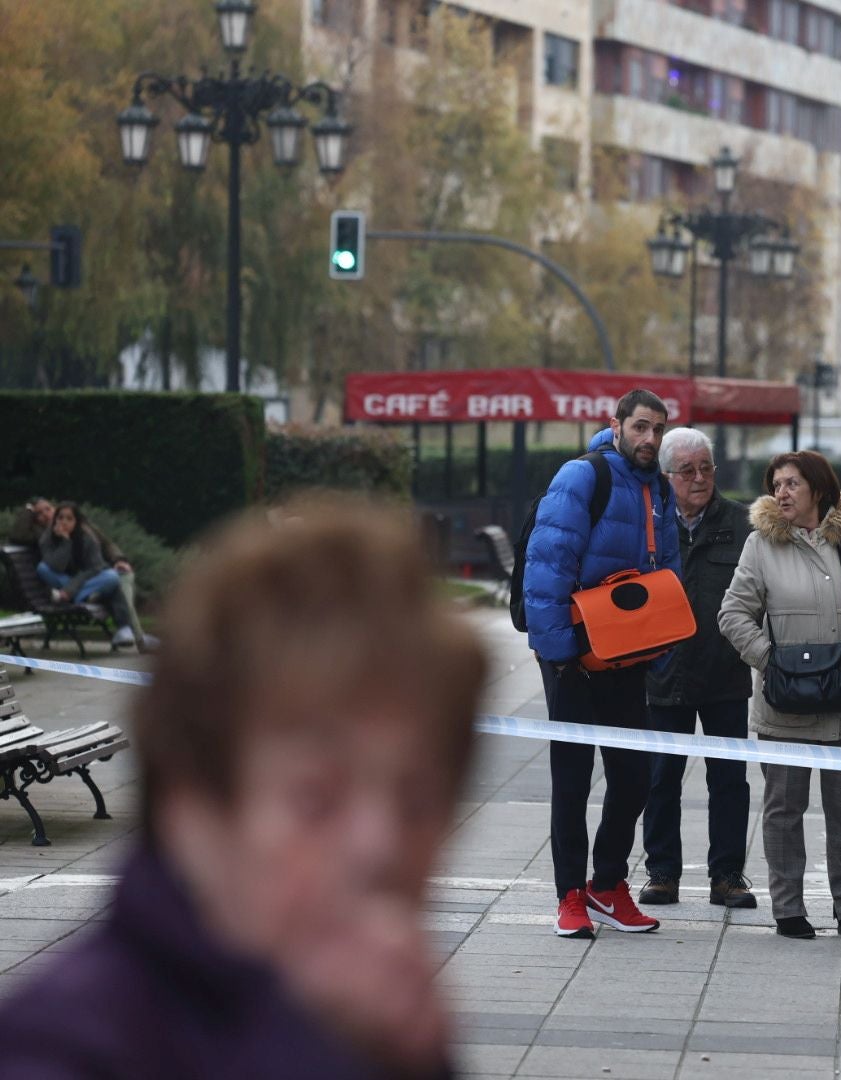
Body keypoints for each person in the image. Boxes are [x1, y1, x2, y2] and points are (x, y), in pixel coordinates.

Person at [0, 498, 488, 1077]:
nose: (379, 844)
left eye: (418, 800)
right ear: (192, 804)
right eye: (316, 799)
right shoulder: (65, 1047)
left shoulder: (377, 1020)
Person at [524, 389, 679, 940]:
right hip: (572, 656)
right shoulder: (583, 476)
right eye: (640, 427)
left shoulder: (658, 486)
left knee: (634, 777)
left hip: (625, 655)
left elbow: (669, 572)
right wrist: (560, 653)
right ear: (615, 426)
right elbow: (547, 565)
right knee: (571, 781)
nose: (650, 440)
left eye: (658, 430)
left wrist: (658, 641)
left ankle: (607, 884)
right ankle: (570, 894)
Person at [718, 451, 841, 941]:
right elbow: (733, 615)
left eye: (791, 484)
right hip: (784, 707)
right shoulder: (760, 545)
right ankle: (788, 908)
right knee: (783, 809)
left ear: (819, 489)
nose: (781, 493)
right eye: (775, 484)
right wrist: (771, 662)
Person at [639, 427, 758, 910]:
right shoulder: (649, 524)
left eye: (706, 467)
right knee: (660, 776)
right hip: (662, 672)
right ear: (666, 476)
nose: (699, 478)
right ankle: (662, 872)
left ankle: (727, 875)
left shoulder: (741, 524)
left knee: (728, 780)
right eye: (687, 470)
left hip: (724, 674)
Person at [37, 502, 142, 648]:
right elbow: (55, 566)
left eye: (69, 518)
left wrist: (69, 590)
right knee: (42, 568)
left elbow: (94, 568)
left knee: (112, 577)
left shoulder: (87, 537)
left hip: (86, 580)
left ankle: (80, 596)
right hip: (65, 580)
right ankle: (86, 596)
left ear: (76, 521)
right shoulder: (47, 538)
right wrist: (66, 542)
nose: (64, 522)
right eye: (60, 518)